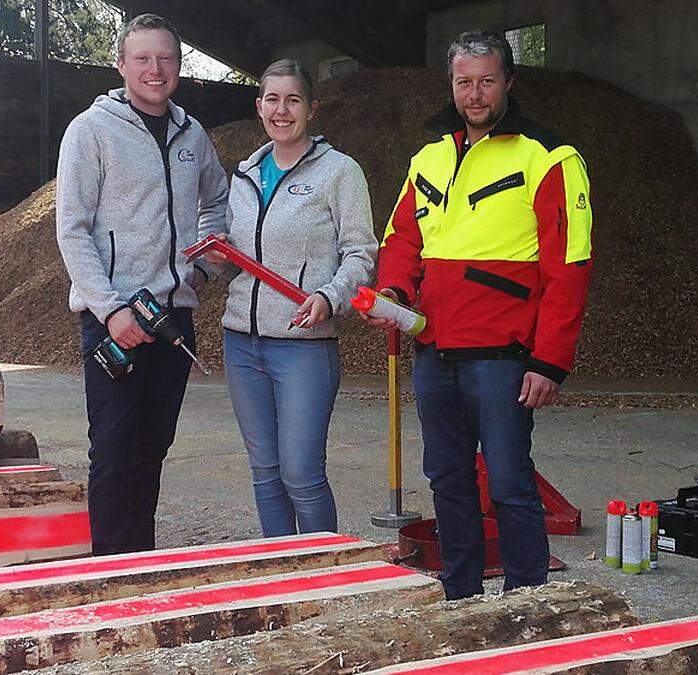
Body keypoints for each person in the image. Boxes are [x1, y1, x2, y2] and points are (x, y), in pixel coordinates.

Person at [365, 30, 594, 599]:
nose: (474, 94)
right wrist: (392, 290)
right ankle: (461, 595)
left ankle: (528, 602)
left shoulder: (550, 158)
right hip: (434, 349)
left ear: (508, 83)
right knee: (447, 479)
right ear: (451, 84)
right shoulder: (429, 156)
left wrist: (550, 361)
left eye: (486, 81)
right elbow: (400, 239)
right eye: (463, 82)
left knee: (511, 483)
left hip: (504, 358)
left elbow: (570, 268)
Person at [55, 13, 228, 555]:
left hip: (173, 315)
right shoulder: (91, 130)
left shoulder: (191, 134)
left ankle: (140, 564)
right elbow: (72, 227)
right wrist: (109, 309)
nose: (156, 70)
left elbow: (217, 205)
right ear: (121, 64)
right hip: (115, 321)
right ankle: (109, 575)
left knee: (152, 447)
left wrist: (199, 270)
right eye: (143, 59)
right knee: (112, 449)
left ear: (179, 65)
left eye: (166, 59)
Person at [204, 59, 376, 537]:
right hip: (241, 342)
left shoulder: (340, 173)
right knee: (265, 474)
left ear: (311, 108)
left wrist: (330, 295)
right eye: (272, 100)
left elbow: (361, 253)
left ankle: (325, 575)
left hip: (304, 345)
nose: (282, 110)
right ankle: (282, 574)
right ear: (259, 107)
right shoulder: (242, 176)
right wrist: (215, 259)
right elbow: (236, 254)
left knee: (300, 474)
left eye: (293, 100)